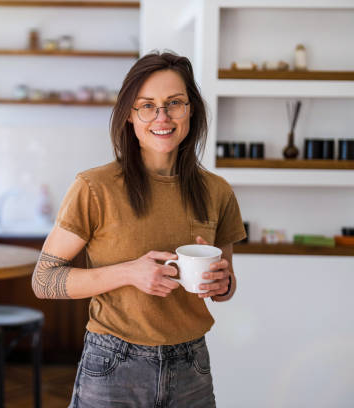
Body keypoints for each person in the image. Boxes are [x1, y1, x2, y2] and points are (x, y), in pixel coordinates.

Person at [31, 51, 246, 407]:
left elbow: (226, 286)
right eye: (147, 106)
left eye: (174, 103)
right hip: (113, 365)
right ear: (130, 116)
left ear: (191, 109)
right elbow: (43, 279)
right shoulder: (94, 187)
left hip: (191, 367)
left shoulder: (217, 191)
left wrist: (223, 285)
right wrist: (129, 273)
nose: (162, 116)